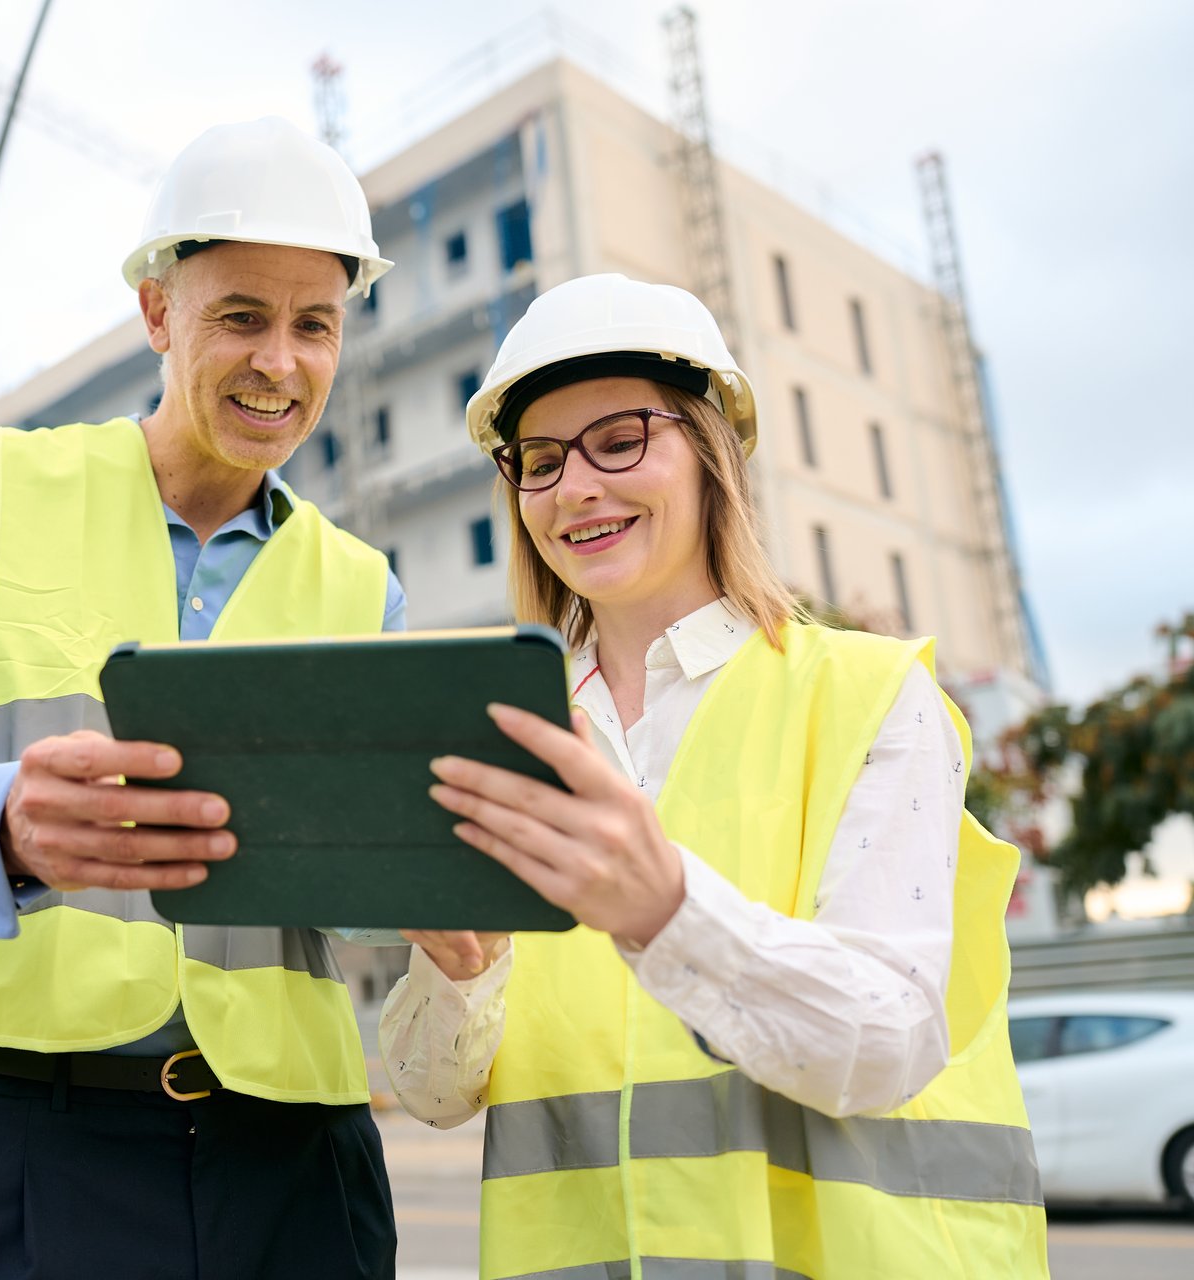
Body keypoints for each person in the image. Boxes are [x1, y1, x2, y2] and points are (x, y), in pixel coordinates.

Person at [0, 117, 403, 1280]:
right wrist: (2, 821)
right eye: (241, 316)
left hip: (296, 1163)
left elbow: (360, 899)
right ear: (159, 313)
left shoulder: (363, 586)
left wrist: (447, 887)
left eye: (314, 325)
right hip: (16, 1140)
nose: (280, 360)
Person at [379, 273, 1047, 1278]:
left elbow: (890, 1038)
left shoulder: (869, 696)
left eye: (621, 439)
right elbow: (434, 1095)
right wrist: (460, 972)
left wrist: (668, 908)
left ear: (709, 452)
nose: (576, 489)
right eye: (543, 460)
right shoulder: (500, 738)